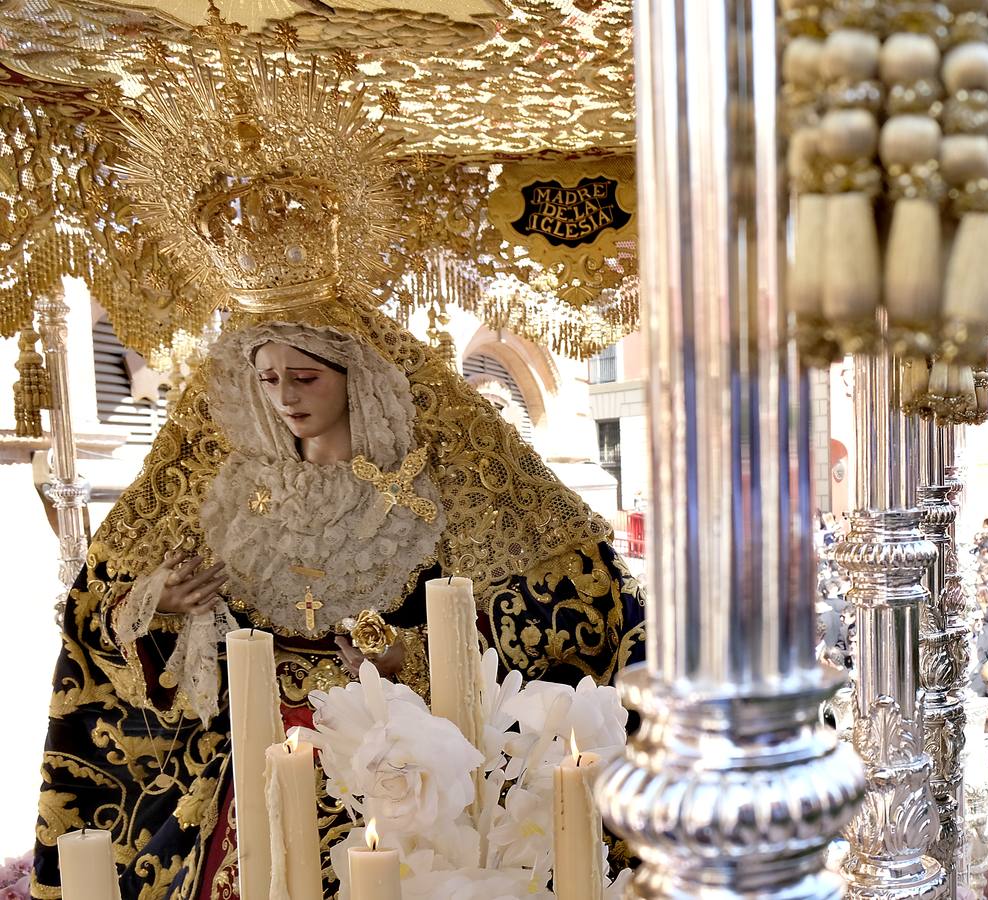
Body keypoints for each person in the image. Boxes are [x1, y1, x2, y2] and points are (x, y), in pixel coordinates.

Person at [31, 38, 645, 900]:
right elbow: (100, 630)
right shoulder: (217, 489)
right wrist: (156, 610)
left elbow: (561, 625)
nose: (286, 397)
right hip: (242, 770)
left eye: (306, 377)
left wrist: (417, 658)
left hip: (402, 769)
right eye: (268, 379)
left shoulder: (436, 485)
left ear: (357, 378)